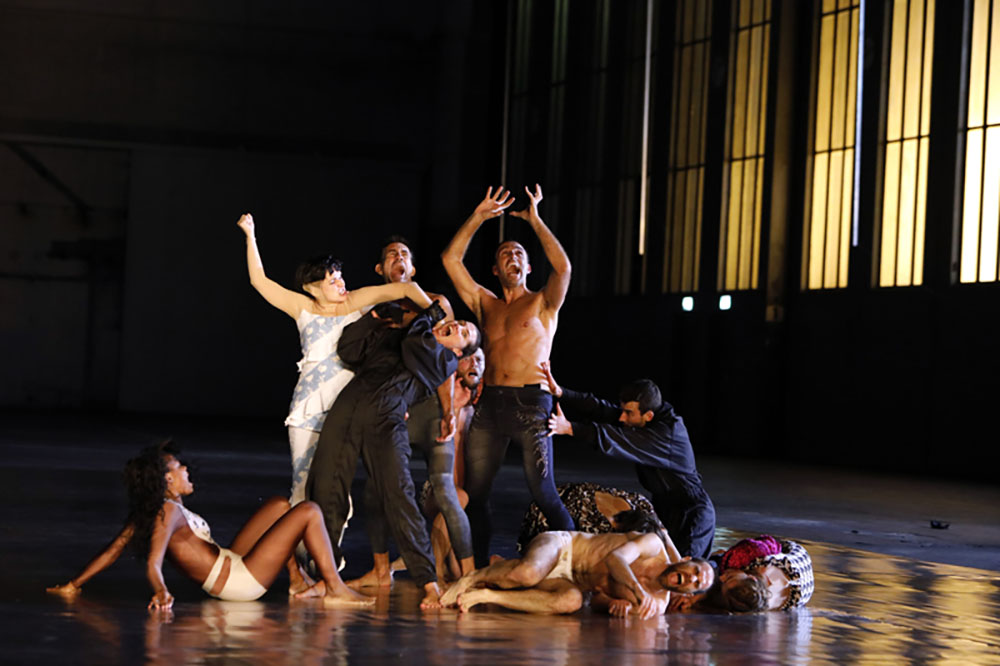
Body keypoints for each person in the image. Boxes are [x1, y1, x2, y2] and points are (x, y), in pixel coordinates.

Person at [236, 214, 434, 511]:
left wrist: (435, 314)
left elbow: (406, 288)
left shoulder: (355, 301)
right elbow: (259, 281)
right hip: (308, 405)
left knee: (336, 493)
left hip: (345, 407)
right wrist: (250, 235)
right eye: (332, 280)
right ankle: (300, 541)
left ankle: (328, 542)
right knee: (302, 487)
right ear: (313, 287)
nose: (341, 283)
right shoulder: (302, 307)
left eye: (340, 276)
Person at [46, 441, 373, 609]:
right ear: (167, 479)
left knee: (279, 506)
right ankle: (335, 587)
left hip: (231, 563)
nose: (186, 469)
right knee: (310, 511)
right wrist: (161, 591)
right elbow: (153, 562)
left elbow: (114, 549)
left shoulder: (162, 509)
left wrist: (74, 584)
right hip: (239, 584)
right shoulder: (167, 512)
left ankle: (298, 582)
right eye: (179, 467)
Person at [305, 299, 480, 608]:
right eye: (460, 323)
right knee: (326, 486)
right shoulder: (400, 335)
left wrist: (429, 315)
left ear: (458, 351)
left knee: (399, 493)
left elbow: (415, 344)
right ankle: (327, 578)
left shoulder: (444, 360)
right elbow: (349, 350)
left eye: (464, 333)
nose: (458, 326)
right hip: (349, 406)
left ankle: (428, 581)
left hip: (387, 417)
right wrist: (374, 317)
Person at [442, 185, 574, 565]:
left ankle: (575, 563)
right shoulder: (486, 302)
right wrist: (478, 217)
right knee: (476, 493)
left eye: (519, 254)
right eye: (505, 255)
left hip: (532, 402)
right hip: (491, 404)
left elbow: (563, 268)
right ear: (496, 270)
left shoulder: (543, 302)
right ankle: (477, 566)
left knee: (543, 491)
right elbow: (451, 259)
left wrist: (535, 221)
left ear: (528, 268)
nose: (512, 256)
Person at [348, 238, 476, 587]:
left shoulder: (435, 303)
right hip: (394, 409)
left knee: (445, 490)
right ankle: (380, 572)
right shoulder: (373, 306)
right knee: (374, 489)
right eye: (391, 254)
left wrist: (449, 411)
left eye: (404, 253)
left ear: (413, 268)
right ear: (380, 269)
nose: (398, 257)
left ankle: (470, 578)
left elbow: (447, 359)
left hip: (430, 410)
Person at [544, 363, 716, 558]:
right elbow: (602, 409)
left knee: (684, 568)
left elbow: (614, 438)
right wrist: (561, 392)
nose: (622, 418)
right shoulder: (645, 419)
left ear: (648, 415)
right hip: (664, 508)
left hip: (691, 513)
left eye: (629, 413)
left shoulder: (666, 435)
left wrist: (569, 428)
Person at [440, 530, 714, 619]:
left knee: (571, 602)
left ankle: (488, 594)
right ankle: (472, 577)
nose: (692, 578)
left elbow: (597, 600)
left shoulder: (658, 604)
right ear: (686, 561)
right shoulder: (653, 546)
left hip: (570, 581)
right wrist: (637, 592)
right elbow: (615, 559)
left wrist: (617, 606)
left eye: (696, 584)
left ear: (690, 593)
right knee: (528, 573)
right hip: (564, 546)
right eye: (695, 571)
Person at [670, 535, 814, 612]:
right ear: (751, 576)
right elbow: (767, 541)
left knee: (723, 567)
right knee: (726, 561)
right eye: (729, 577)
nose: (723, 577)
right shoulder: (762, 561)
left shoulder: (756, 603)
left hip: (802, 588)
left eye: (727, 579)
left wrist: (696, 598)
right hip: (794, 554)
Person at [517, 482, 668, 554]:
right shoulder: (599, 533)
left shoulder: (641, 504)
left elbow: (663, 534)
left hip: (560, 498)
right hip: (546, 522)